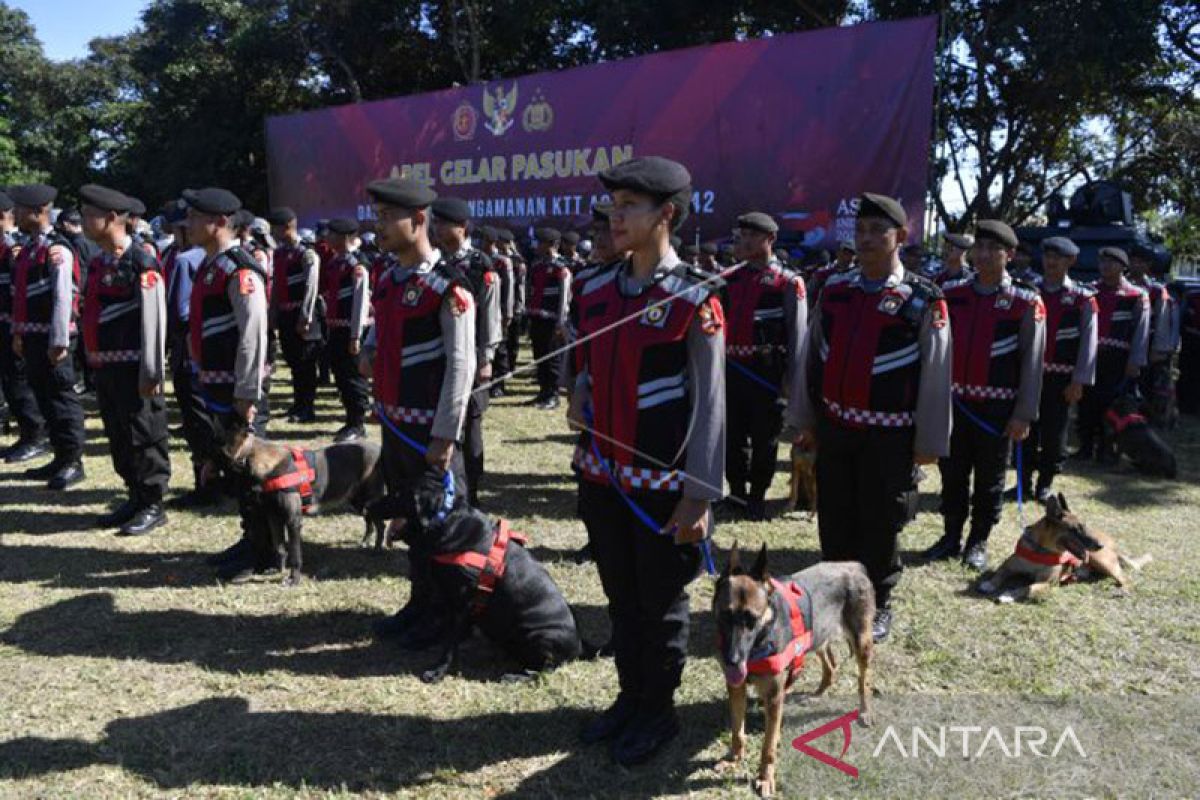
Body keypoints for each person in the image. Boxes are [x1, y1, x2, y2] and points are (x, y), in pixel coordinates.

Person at [566, 156, 724, 766]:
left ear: (668, 215)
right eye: (614, 205)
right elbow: (583, 365)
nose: (616, 216)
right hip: (603, 477)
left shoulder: (694, 299)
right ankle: (630, 698)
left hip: (662, 486)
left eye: (630, 206)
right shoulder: (596, 287)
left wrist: (700, 494)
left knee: (659, 605)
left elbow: (711, 403)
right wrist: (579, 394)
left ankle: (658, 712)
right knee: (620, 596)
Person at [787, 193, 951, 642]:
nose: (866, 239)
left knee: (880, 522)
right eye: (860, 231)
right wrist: (804, 418)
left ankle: (878, 602)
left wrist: (929, 442)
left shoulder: (923, 299)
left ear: (900, 236)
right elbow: (811, 357)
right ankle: (833, 599)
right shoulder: (837, 290)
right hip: (837, 427)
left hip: (891, 435)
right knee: (835, 518)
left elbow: (936, 373)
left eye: (878, 231)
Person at [361, 177, 475, 646]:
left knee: (445, 523)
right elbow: (379, 329)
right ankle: (421, 601)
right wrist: (369, 351)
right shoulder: (388, 278)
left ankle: (454, 614)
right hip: (395, 426)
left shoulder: (449, 286)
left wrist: (445, 435)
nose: (380, 226)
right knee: (411, 519)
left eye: (389, 217)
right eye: (378, 216)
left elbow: (461, 364)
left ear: (420, 220)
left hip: (429, 432)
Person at [922, 220, 1045, 572]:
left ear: (1009, 255)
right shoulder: (952, 293)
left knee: (989, 479)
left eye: (995, 249)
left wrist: (1023, 413)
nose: (986, 255)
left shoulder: (1025, 301)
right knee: (952, 473)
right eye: (981, 248)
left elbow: (1032, 363)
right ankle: (950, 536)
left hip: (997, 410)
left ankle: (978, 542)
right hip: (955, 405)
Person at [185, 187, 271, 581]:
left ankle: (265, 550)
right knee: (236, 472)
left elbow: (253, 333)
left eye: (195, 216)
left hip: (237, 390)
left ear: (219, 222)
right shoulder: (211, 265)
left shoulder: (240, 267)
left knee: (252, 471)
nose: (188, 224)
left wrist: (247, 393)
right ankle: (250, 537)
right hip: (216, 385)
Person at [79, 184, 171, 534]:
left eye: (91, 215)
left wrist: (151, 371)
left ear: (114, 218)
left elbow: (154, 320)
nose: (85, 222)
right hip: (107, 366)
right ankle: (133, 494)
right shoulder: (100, 261)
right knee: (119, 435)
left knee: (144, 433)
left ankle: (152, 502)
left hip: (134, 367)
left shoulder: (141, 261)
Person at [722, 211, 806, 520]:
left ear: (769, 240)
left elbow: (798, 337)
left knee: (764, 439)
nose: (741, 241)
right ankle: (736, 493)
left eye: (750, 236)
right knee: (731, 435)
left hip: (766, 374)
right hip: (731, 370)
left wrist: (792, 383)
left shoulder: (787, 282)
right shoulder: (729, 278)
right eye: (740, 235)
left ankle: (757, 496)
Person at [1005, 236, 1096, 502]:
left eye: (1058, 257)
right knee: (1023, 429)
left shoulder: (1083, 297)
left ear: (1071, 261)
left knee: (1054, 433)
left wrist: (1079, 380)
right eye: (1047, 256)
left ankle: (1045, 483)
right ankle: (1023, 481)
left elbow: (1088, 343)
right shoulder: (1028, 292)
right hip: (1028, 376)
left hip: (1060, 379)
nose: (1051, 262)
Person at [9, 183, 86, 490]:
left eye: (20, 209)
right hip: (32, 337)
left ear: (39, 212)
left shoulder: (57, 250)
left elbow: (62, 298)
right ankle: (59, 455)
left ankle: (72, 460)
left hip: (53, 339)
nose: (14, 214)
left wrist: (59, 340)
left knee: (61, 398)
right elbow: (20, 296)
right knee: (44, 397)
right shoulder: (30, 248)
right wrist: (18, 332)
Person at [431, 197, 501, 507]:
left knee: (470, 425)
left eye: (444, 223)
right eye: (436, 222)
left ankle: (471, 492)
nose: (438, 229)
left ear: (463, 227)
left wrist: (486, 358)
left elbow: (491, 315)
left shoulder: (479, 265)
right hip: (441, 357)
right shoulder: (434, 263)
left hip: (472, 357)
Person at [161, 201, 216, 508]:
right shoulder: (205, 258)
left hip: (187, 346)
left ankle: (205, 484)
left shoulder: (183, 260)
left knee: (196, 419)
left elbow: (178, 311)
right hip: (206, 347)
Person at [1076, 247, 1149, 462]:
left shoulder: (1136, 295)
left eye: (1112, 262)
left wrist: (1135, 361)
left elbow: (1141, 331)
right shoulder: (1090, 291)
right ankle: (1085, 446)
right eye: (1103, 262)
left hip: (1117, 359)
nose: (1106, 266)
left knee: (1111, 405)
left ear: (1123, 267)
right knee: (1087, 403)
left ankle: (1107, 449)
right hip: (1091, 357)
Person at [0, 189, 48, 464]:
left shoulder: (14, 249)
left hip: (13, 325)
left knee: (19, 383)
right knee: (10, 383)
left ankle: (35, 435)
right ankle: (26, 434)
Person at [267, 207, 322, 423]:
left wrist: (305, 316)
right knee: (293, 362)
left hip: (303, 317)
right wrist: (273, 313)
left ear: (287, 227)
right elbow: (277, 287)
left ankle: (307, 408)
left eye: (275, 228)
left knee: (305, 364)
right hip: (286, 316)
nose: (272, 233)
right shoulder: (280, 254)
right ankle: (298, 405)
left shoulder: (306, 254)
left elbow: (311, 286)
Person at [322, 217, 372, 442]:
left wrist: (355, 334)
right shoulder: (335, 262)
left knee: (353, 378)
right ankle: (349, 420)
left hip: (350, 330)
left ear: (343, 237)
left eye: (331, 234)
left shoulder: (356, 265)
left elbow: (360, 301)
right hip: (335, 328)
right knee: (341, 376)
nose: (327, 238)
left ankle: (357, 423)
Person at [526, 227, 570, 409]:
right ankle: (543, 392)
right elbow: (532, 292)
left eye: (541, 242)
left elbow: (564, 297)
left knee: (552, 359)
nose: (537, 246)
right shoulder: (537, 266)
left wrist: (561, 322)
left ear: (552, 245)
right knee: (540, 357)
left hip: (552, 320)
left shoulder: (561, 268)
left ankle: (553, 395)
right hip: (537, 318)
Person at [1127, 244, 1175, 407]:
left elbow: (1162, 320)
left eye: (1142, 262)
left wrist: (1158, 349)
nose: (1137, 265)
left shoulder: (1156, 290)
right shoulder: (1121, 286)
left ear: (1149, 265)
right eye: (1133, 261)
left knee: (1144, 383)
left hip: (1147, 343)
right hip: (1122, 341)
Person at [806, 238, 855, 307]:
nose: (847, 256)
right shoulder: (822, 274)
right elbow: (808, 294)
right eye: (845, 252)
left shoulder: (858, 277)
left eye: (851, 253)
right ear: (838, 252)